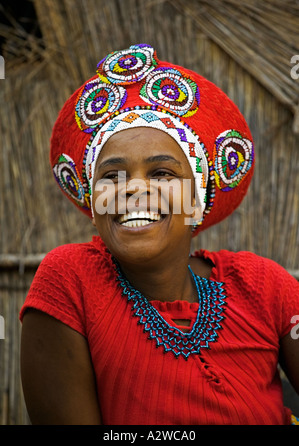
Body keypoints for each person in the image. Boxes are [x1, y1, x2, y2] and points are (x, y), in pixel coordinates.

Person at [20, 44, 299, 425]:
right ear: (93, 203)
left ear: (197, 200)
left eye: (162, 174)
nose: (133, 189)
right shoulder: (70, 281)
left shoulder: (263, 287)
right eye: (112, 175)